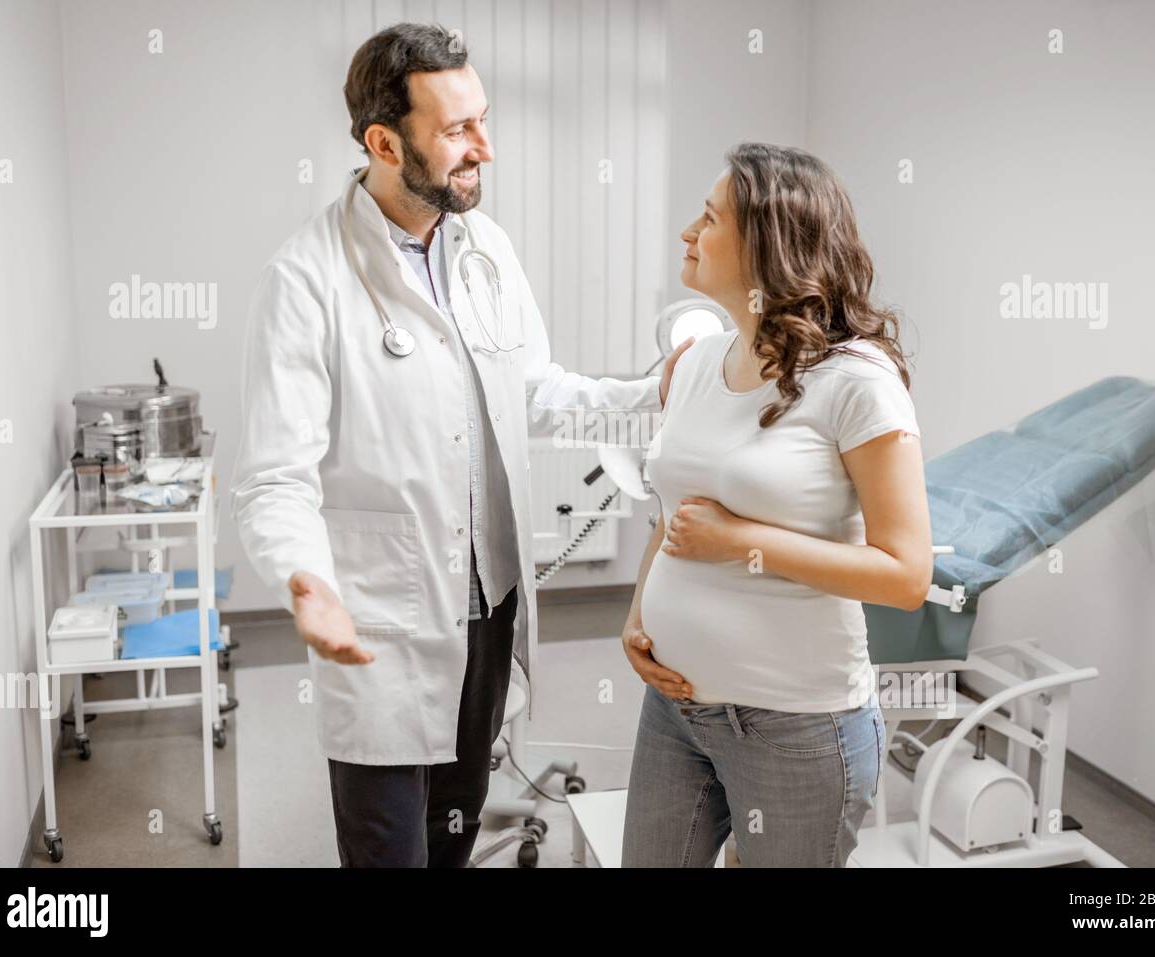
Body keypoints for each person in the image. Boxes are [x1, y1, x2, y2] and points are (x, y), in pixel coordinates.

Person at [231, 22, 688, 867]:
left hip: (491, 603)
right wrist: (307, 583)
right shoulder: (306, 280)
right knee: (389, 847)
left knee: (456, 828)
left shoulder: (487, 250)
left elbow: (536, 392)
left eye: (483, 118)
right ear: (383, 140)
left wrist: (649, 391)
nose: (486, 146)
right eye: (457, 130)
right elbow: (273, 480)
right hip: (383, 623)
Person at [620, 142, 933, 867]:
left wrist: (739, 540)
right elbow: (675, 510)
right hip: (676, 707)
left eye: (708, 217)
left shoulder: (858, 382)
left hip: (797, 725)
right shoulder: (695, 363)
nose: (687, 233)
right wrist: (640, 612)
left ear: (768, 243)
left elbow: (905, 573)